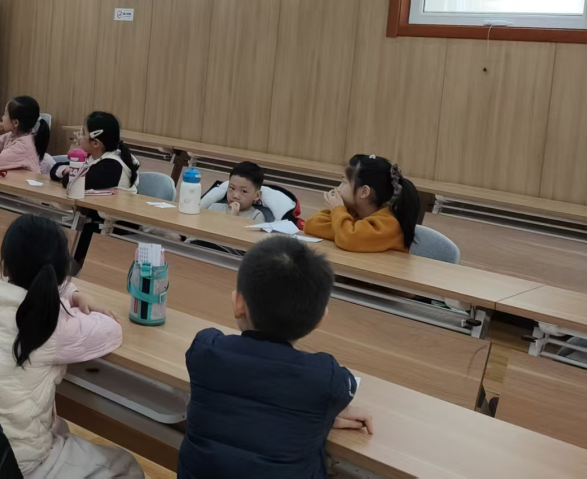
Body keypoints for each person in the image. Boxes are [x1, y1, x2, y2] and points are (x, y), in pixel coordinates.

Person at [0, 215, 142, 479]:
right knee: (126, 464)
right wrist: (79, 300)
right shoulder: (53, 326)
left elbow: (44, 287)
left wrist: (73, 294)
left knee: (58, 428)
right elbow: (112, 330)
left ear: (5, 266)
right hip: (14, 463)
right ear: (63, 271)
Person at [178, 235, 372, 479]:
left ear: (238, 304)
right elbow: (345, 386)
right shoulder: (326, 379)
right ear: (320, 320)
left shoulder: (205, 350)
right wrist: (325, 413)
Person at [303, 154, 421, 253]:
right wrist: (343, 228)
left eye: (344, 182)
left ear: (364, 192)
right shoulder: (352, 213)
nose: (337, 189)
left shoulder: (389, 224)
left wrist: (338, 211)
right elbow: (312, 225)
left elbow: (349, 239)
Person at [50, 111, 140, 194]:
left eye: (83, 133)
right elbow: (54, 170)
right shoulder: (92, 156)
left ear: (95, 143)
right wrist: (67, 170)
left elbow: (71, 182)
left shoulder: (111, 166)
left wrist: (71, 171)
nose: (79, 136)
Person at [205, 161, 299, 223]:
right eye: (232, 188)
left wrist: (234, 219)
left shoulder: (256, 216)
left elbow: (251, 239)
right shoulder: (214, 207)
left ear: (257, 195)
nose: (235, 195)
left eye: (244, 191)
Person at [0, 96, 51, 173]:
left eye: (5, 114)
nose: (2, 117)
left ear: (16, 123)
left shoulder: (23, 146)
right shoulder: (11, 135)